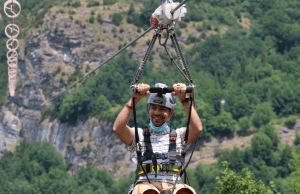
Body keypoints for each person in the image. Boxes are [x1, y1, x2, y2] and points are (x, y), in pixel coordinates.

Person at [113, 83, 202, 194]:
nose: (157, 112)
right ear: (149, 109)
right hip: (146, 187)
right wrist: (134, 100)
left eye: (162, 109)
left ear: (171, 112)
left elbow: (197, 128)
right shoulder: (139, 136)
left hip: (173, 187)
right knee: (147, 192)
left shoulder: (179, 136)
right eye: (153, 107)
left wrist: (185, 100)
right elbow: (118, 128)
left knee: (185, 191)